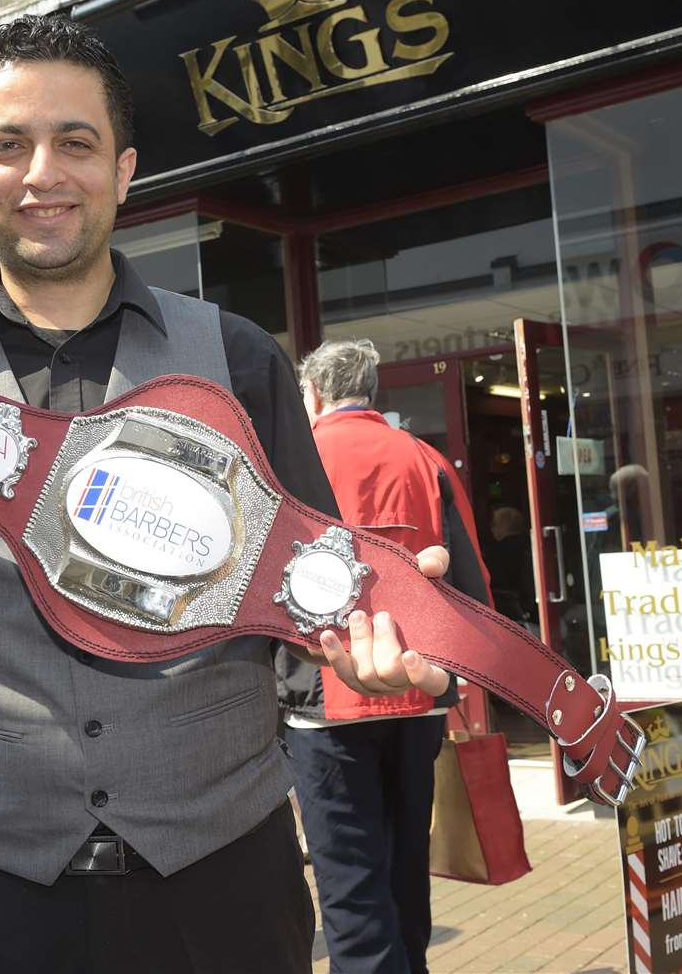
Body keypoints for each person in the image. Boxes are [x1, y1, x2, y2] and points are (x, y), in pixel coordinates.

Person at [0, 15, 454, 973]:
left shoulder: (234, 359)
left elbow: (308, 595)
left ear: (125, 168)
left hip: (221, 876)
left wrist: (368, 646)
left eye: (75, 142)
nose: (42, 173)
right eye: (8, 145)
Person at [281, 339, 493, 974]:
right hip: (416, 694)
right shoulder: (424, 457)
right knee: (406, 872)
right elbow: (471, 588)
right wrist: (450, 688)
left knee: (350, 884)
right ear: (370, 394)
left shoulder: (294, 456)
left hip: (325, 702)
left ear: (313, 395)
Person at [484, 505, 535, 623]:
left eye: (494, 524)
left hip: (514, 611)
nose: (492, 529)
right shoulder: (532, 544)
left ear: (504, 526)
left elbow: (492, 581)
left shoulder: (499, 552)